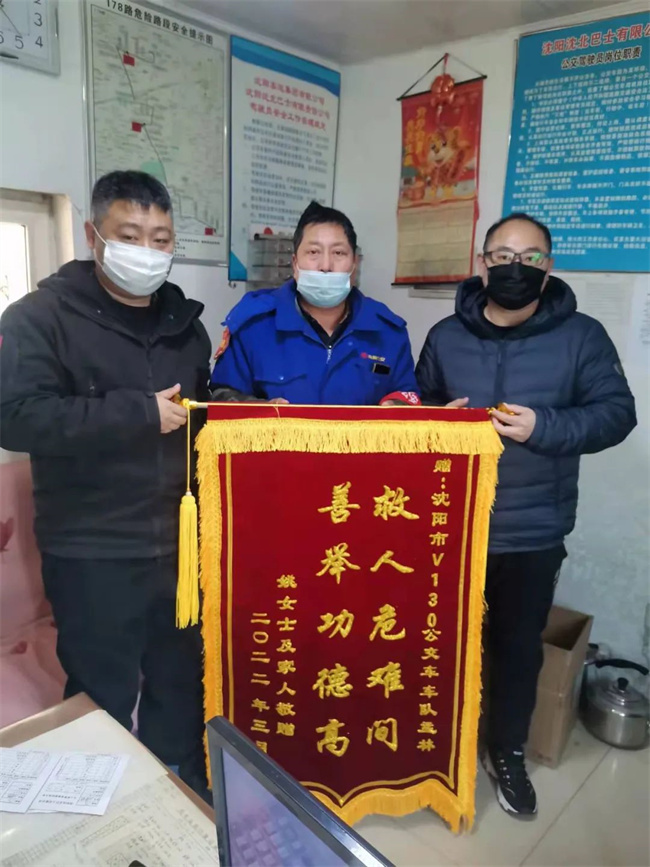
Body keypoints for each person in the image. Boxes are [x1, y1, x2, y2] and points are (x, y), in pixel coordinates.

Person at [416, 212, 636, 817]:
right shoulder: (446, 335)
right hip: (451, 526)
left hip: (532, 530)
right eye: (503, 256)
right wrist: (434, 419)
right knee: (442, 645)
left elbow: (617, 414)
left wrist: (545, 426)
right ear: (482, 263)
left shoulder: (582, 336)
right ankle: (438, 747)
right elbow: (418, 404)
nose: (515, 267)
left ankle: (507, 751)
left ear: (548, 266)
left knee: (516, 651)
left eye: (530, 257)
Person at [0, 171, 212, 796]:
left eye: (160, 238)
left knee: (180, 684)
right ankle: (101, 809)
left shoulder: (185, 324)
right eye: (130, 235)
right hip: (92, 547)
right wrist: (137, 413)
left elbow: (199, 416)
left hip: (179, 546)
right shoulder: (39, 317)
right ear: (94, 236)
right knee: (101, 695)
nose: (147, 251)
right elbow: (16, 417)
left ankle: (177, 795)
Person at [210, 201, 418, 405]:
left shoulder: (388, 331)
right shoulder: (253, 326)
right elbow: (221, 395)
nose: (326, 265)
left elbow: (408, 395)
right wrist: (258, 409)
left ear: (354, 264)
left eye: (338, 253)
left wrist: (397, 405)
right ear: (295, 264)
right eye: (313, 252)